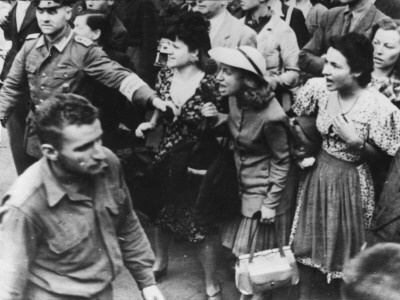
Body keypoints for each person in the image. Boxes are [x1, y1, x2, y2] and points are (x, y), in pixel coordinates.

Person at [0, 94, 164, 300]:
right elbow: (9, 285)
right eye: (83, 147)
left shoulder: (108, 163)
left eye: (97, 140)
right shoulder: (24, 204)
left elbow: (127, 222)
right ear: (51, 152)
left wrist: (147, 282)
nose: (98, 153)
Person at [290, 32, 400, 299]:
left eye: (335, 66)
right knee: (307, 242)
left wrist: (357, 142)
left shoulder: (379, 107)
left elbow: (388, 161)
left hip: (352, 182)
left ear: (358, 70)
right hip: (317, 175)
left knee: (348, 252)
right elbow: (301, 127)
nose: (325, 70)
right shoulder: (317, 89)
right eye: (326, 62)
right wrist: (300, 144)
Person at [0, 0, 174, 167]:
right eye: (40, 11)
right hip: (38, 139)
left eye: (52, 11)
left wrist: (152, 98)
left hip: (73, 142)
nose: (45, 18)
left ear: (68, 12)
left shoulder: (83, 50)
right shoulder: (30, 46)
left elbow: (119, 76)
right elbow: (12, 87)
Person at [135, 12, 222, 300]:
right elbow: (160, 111)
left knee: (201, 222)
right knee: (162, 212)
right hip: (168, 152)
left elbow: (226, 121)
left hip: (197, 158)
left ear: (196, 52)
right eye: (166, 44)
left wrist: (216, 115)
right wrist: (150, 123)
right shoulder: (165, 75)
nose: (167, 50)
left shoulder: (210, 81)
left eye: (175, 45)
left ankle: (211, 280)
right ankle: (160, 261)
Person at [203, 45, 292, 300]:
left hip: (264, 193)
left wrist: (270, 204)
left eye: (227, 72)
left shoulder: (273, 115)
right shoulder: (234, 98)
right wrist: (215, 118)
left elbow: (282, 160)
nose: (219, 77)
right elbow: (237, 128)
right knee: (246, 260)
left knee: (255, 264)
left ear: (248, 79)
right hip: (241, 186)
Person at [73, 10, 146, 167]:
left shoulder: (118, 59)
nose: (72, 32)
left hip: (106, 128)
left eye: (78, 27)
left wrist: (127, 124)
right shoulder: (71, 55)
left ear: (95, 34)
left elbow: (133, 94)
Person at [0, 0, 40, 175]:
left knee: (36, 136)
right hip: (13, 71)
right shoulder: (15, 6)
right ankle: (23, 178)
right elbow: (12, 37)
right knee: (16, 134)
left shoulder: (45, 6)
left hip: (36, 73)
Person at [299, 0, 388, 77]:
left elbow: (379, 70)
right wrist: (329, 63)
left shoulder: (382, 24)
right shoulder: (330, 15)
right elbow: (304, 57)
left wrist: (333, 63)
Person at [240, 0, 301, 105]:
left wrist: (269, 82)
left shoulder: (282, 29)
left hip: (270, 101)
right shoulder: (236, 26)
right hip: (239, 100)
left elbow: (295, 74)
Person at [111, 0, 159, 86]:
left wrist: (146, 65)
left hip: (135, 53)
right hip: (116, 50)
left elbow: (149, 37)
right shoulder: (115, 3)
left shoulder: (144, 3)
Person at [370, 18, 400, 109]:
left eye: (389, 46)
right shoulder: (352, 70)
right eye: (376, 43)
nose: (378, 51)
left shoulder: (397, 91)